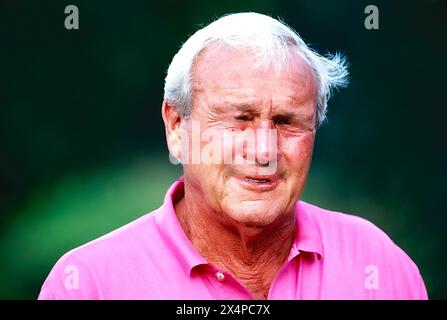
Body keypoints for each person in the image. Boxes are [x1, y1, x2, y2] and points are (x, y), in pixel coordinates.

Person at [38, 12, 428, 300]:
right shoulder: (88, 284)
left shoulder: (376, 264)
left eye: (287, 122)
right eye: (239, 119)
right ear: (176, 127)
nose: (264, 150)